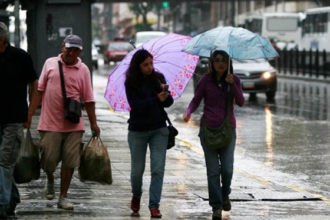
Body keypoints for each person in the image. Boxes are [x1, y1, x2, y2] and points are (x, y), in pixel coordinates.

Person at [27, 34, 100, 210]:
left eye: (75, 50)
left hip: (74, 124)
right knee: (49, 160)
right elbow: (39, 90)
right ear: (62, 47)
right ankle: (50, 178)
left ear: (80, 51)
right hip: (49, 123)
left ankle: (63, 197)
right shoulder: (50, 64)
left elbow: (88, 99)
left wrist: (94, 123)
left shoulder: (83, 70)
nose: (71, 53)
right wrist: (29, 115)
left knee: (70, 161)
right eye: (69, 48)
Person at [183, 50, 244, 220]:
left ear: (228, 63)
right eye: (217, 60)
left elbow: (240, 102)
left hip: (227, 131)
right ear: (212, 62)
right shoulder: (205, 80)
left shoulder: (234, 79)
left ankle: (225, 194)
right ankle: (216, 207)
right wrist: (188, 112)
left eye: (223, 60)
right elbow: (196, 100)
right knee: (212, 171)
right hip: (208, 131)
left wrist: (232, 84)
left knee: (227, 169)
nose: (220, 63)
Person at [124, 49, 173, 218]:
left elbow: (168, 103)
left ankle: (154, 206)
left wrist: (165, 92)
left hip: (159, 130)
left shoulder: (157, 78)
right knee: (137, 171)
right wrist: (155, 99)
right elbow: (136, 106)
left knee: (158, 170)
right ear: (138, 66)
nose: (150, 67)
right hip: (137, 131)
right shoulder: (131, 82)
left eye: (151, 63)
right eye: (146, 64)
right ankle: (136, 194)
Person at [0, 22, 39, 218]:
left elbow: (35, 83)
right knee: (2, 163)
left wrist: (31, 112)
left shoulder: (21, 57)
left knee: (4, 161)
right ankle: (12, 197)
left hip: (14, 118)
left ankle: (3, 205)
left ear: (2, 39)